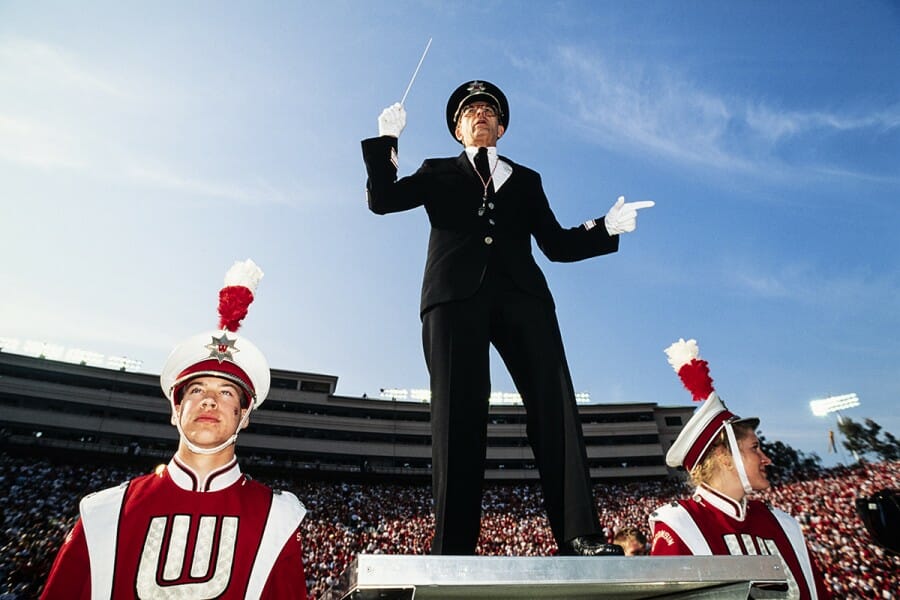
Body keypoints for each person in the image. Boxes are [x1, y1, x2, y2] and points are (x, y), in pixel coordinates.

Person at [361, 80, 653, 556]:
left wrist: (604, 227)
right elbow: (383, 200)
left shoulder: (528, 178)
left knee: (554, 404)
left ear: (501, 127)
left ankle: (580, 534)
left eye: (488, 110)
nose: (479, 114)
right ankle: (453, 546)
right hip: (454, 298)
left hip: (523, 296)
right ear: (458, 129)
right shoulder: (436, 170)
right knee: (458, 413)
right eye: (470, 110)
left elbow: (556, 245)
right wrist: (386, 142)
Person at [41, 260, 308, 600]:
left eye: (226, 393)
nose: (209, 401)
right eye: (196, 390)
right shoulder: (103, 512)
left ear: (244, 417)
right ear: (175, 411)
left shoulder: (278, 518)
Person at [649, 338, 831, 600]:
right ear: (724, 457)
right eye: (755, 448)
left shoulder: (782, 523)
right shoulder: (680, 523)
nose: (766, 458)